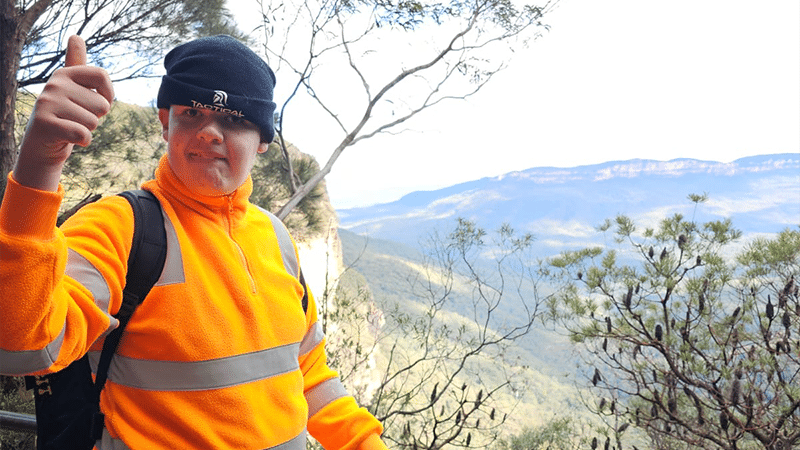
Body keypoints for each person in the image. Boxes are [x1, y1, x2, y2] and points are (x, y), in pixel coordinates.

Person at [0, 34, 388, 449]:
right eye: (191, 113)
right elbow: (24, 347)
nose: (209, 133)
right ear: (166, 124)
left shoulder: (275, 236)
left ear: (261, 143)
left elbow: (307, 368)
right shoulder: (120, 227)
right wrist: (40, 163)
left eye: (235, 119)